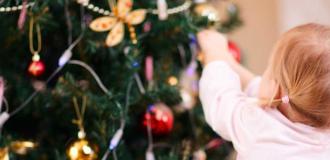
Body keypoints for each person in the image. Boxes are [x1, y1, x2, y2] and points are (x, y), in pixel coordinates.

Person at [197, 23, 330, 160]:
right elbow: (262, 91)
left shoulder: (257, 127)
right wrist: (229, 61)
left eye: (269, 69)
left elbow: (221, 100)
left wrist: (214, 53)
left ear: (276, 90)